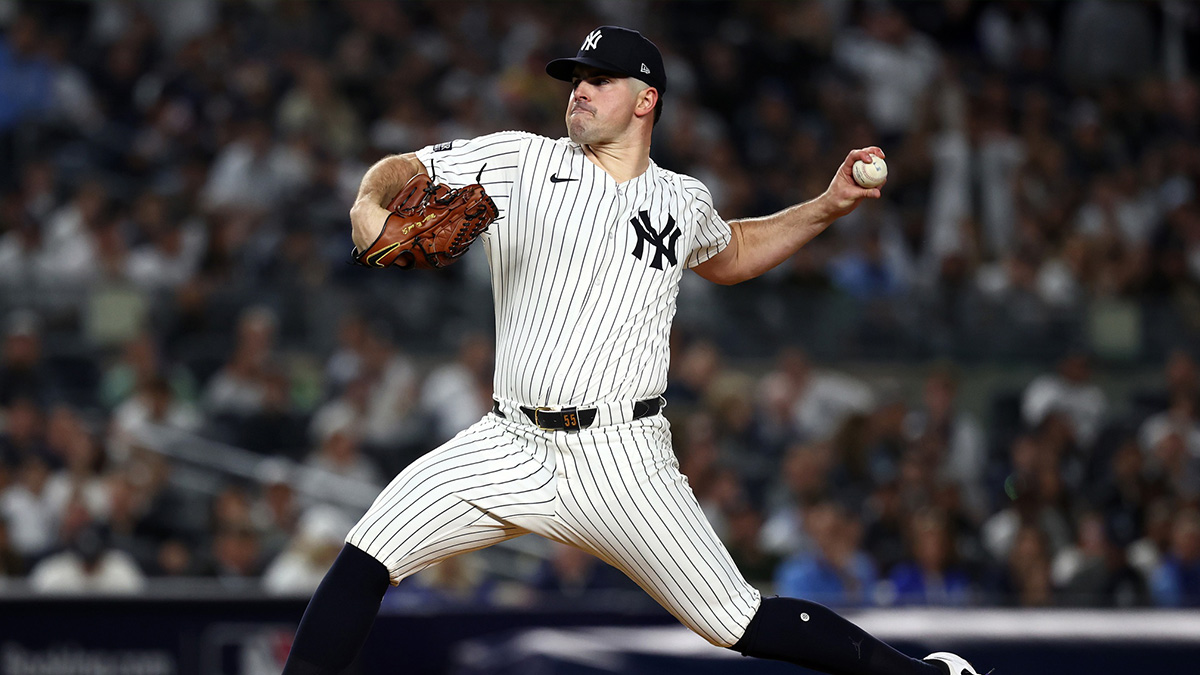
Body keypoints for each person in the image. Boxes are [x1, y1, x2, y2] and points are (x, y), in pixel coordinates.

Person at [282, 26, 980, 675]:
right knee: (366, 553)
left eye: (601, 78)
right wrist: (372, 201)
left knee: (737, 618)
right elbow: (403, 167)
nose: (579, 89)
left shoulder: (682, 198)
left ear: (647, 100)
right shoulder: (521, 160)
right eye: (575, 77)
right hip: (508, 441)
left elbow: (731, 250)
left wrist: (826, 206)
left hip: (623, 455)